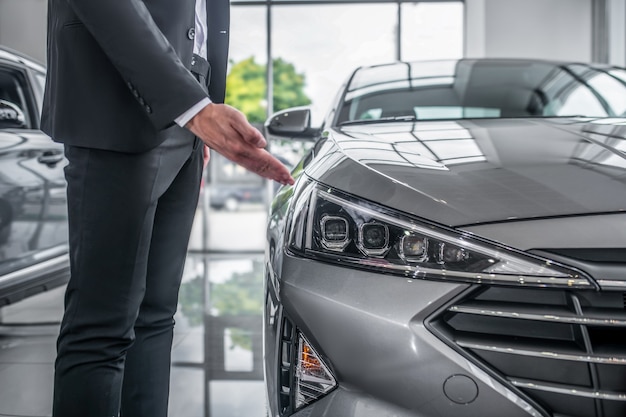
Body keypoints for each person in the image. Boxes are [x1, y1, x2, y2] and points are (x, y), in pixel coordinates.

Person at [41, 0, 294, 416]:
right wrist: (194, 109)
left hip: (189, 100)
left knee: (156, 317)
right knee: (102, 328)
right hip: (118, 92)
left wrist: (205, 106)